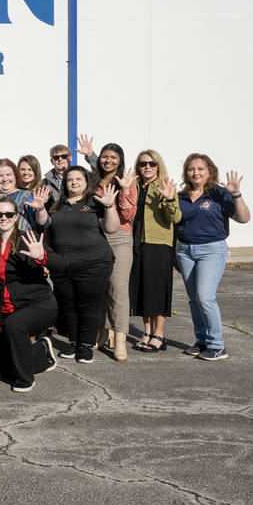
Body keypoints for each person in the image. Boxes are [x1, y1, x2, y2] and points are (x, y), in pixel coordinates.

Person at [0, 197, 60, 393]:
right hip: (7, 310)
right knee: (4, 367)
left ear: (16, 217)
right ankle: (41, 351)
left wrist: (42, 257)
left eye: (9, 214)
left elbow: (63, 265)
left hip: (38, 305)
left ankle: (26, 380)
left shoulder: (27, 239)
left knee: (16, 326)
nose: (4, 218)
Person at [175, 153, 251, 361]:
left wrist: (236, 195)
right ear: (186, 173)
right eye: (191, 169)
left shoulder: (219, 193)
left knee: (205, 297)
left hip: (211, 250)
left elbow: (244, 218)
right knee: (193, 300)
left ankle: (217, 346)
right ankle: (202, 341)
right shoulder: (181, 195)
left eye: (200, 168)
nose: (195, 173)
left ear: (210, 171)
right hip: (184, 250)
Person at [0, 158, 50, 343]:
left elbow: (44, 223)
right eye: (0, 175)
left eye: (8, 175)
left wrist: (41, 209)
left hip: (16, 259)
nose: (4, 179)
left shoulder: (27, 196)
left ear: (15, 176)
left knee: (16, 304)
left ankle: (27, 344)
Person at [47, 165, 120, 363]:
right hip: (62, 265)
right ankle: (73, 341)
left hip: (94, 264)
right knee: (68, 305)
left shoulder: (95, 202)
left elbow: (112, 228)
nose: (74, 182)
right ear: (65, 183)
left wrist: (109, 206)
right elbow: (48, 232)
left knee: (88, 306)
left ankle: (86, 346)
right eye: (70, 179)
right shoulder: (56, 205)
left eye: (79, 179)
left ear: (86, 182)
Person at [85, 142, 138, 362]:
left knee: (118, 288)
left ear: (121, 160)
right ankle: (102, 332)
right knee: (100, 289)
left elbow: (128, 215)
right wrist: (89, 154)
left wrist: (125, 190)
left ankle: (120, 340)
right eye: (105, 157)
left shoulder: (126, 180)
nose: (108, 160)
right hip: (96, 238)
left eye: (113, 157)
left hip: (119, 238)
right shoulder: (93, 180)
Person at [124, 149, 178, 355]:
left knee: (158, 290)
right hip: (137, 242)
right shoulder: (134, 186)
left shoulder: (165, 185)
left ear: (158, 166)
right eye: (143, 163)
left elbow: (175, 218)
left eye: (152, 163)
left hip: (159, 244)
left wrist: (170, 199)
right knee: (142, 289)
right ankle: (146, 332)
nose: (147, 167)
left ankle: (159, 334)